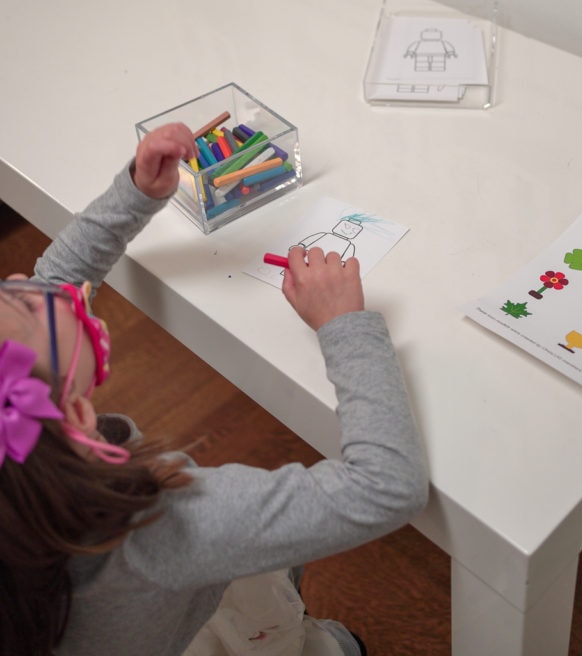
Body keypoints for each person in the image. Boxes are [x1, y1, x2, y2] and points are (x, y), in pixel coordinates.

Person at [0, 123, 429, 656]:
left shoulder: (24, 485)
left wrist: (135, 193)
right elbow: (386, 487)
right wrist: (344, 324)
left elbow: (54, 288)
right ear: (78, 416)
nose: (24, 279)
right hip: (210, 625)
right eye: (20, 301)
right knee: (270, 627)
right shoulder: (168, 531)